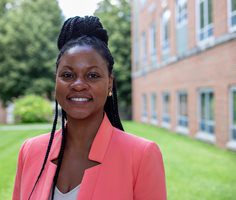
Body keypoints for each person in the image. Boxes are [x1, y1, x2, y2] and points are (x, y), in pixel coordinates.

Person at [12, 16, 166, 200]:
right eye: (67, 75)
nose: (78, 85)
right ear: (56, 81)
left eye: (92, 75)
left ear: (109, 84)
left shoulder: (141, 156)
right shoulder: (30, 151)